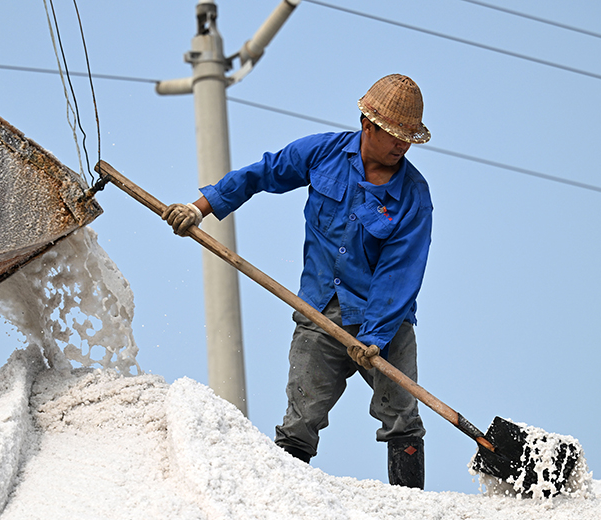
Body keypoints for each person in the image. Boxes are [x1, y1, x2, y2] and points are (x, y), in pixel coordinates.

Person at [162, 74, 433, 489]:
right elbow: (261, 174)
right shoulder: (323, 153)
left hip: (385, 323)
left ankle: (414, 510)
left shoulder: (413, 195)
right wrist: (200, 209)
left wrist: (375, 336)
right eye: (395, 135)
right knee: (300, 421)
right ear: (368, 125)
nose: (402, 145)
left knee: (402, 415)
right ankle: (285, 502)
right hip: (319, 310)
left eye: (408, 138)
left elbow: (400, 271)